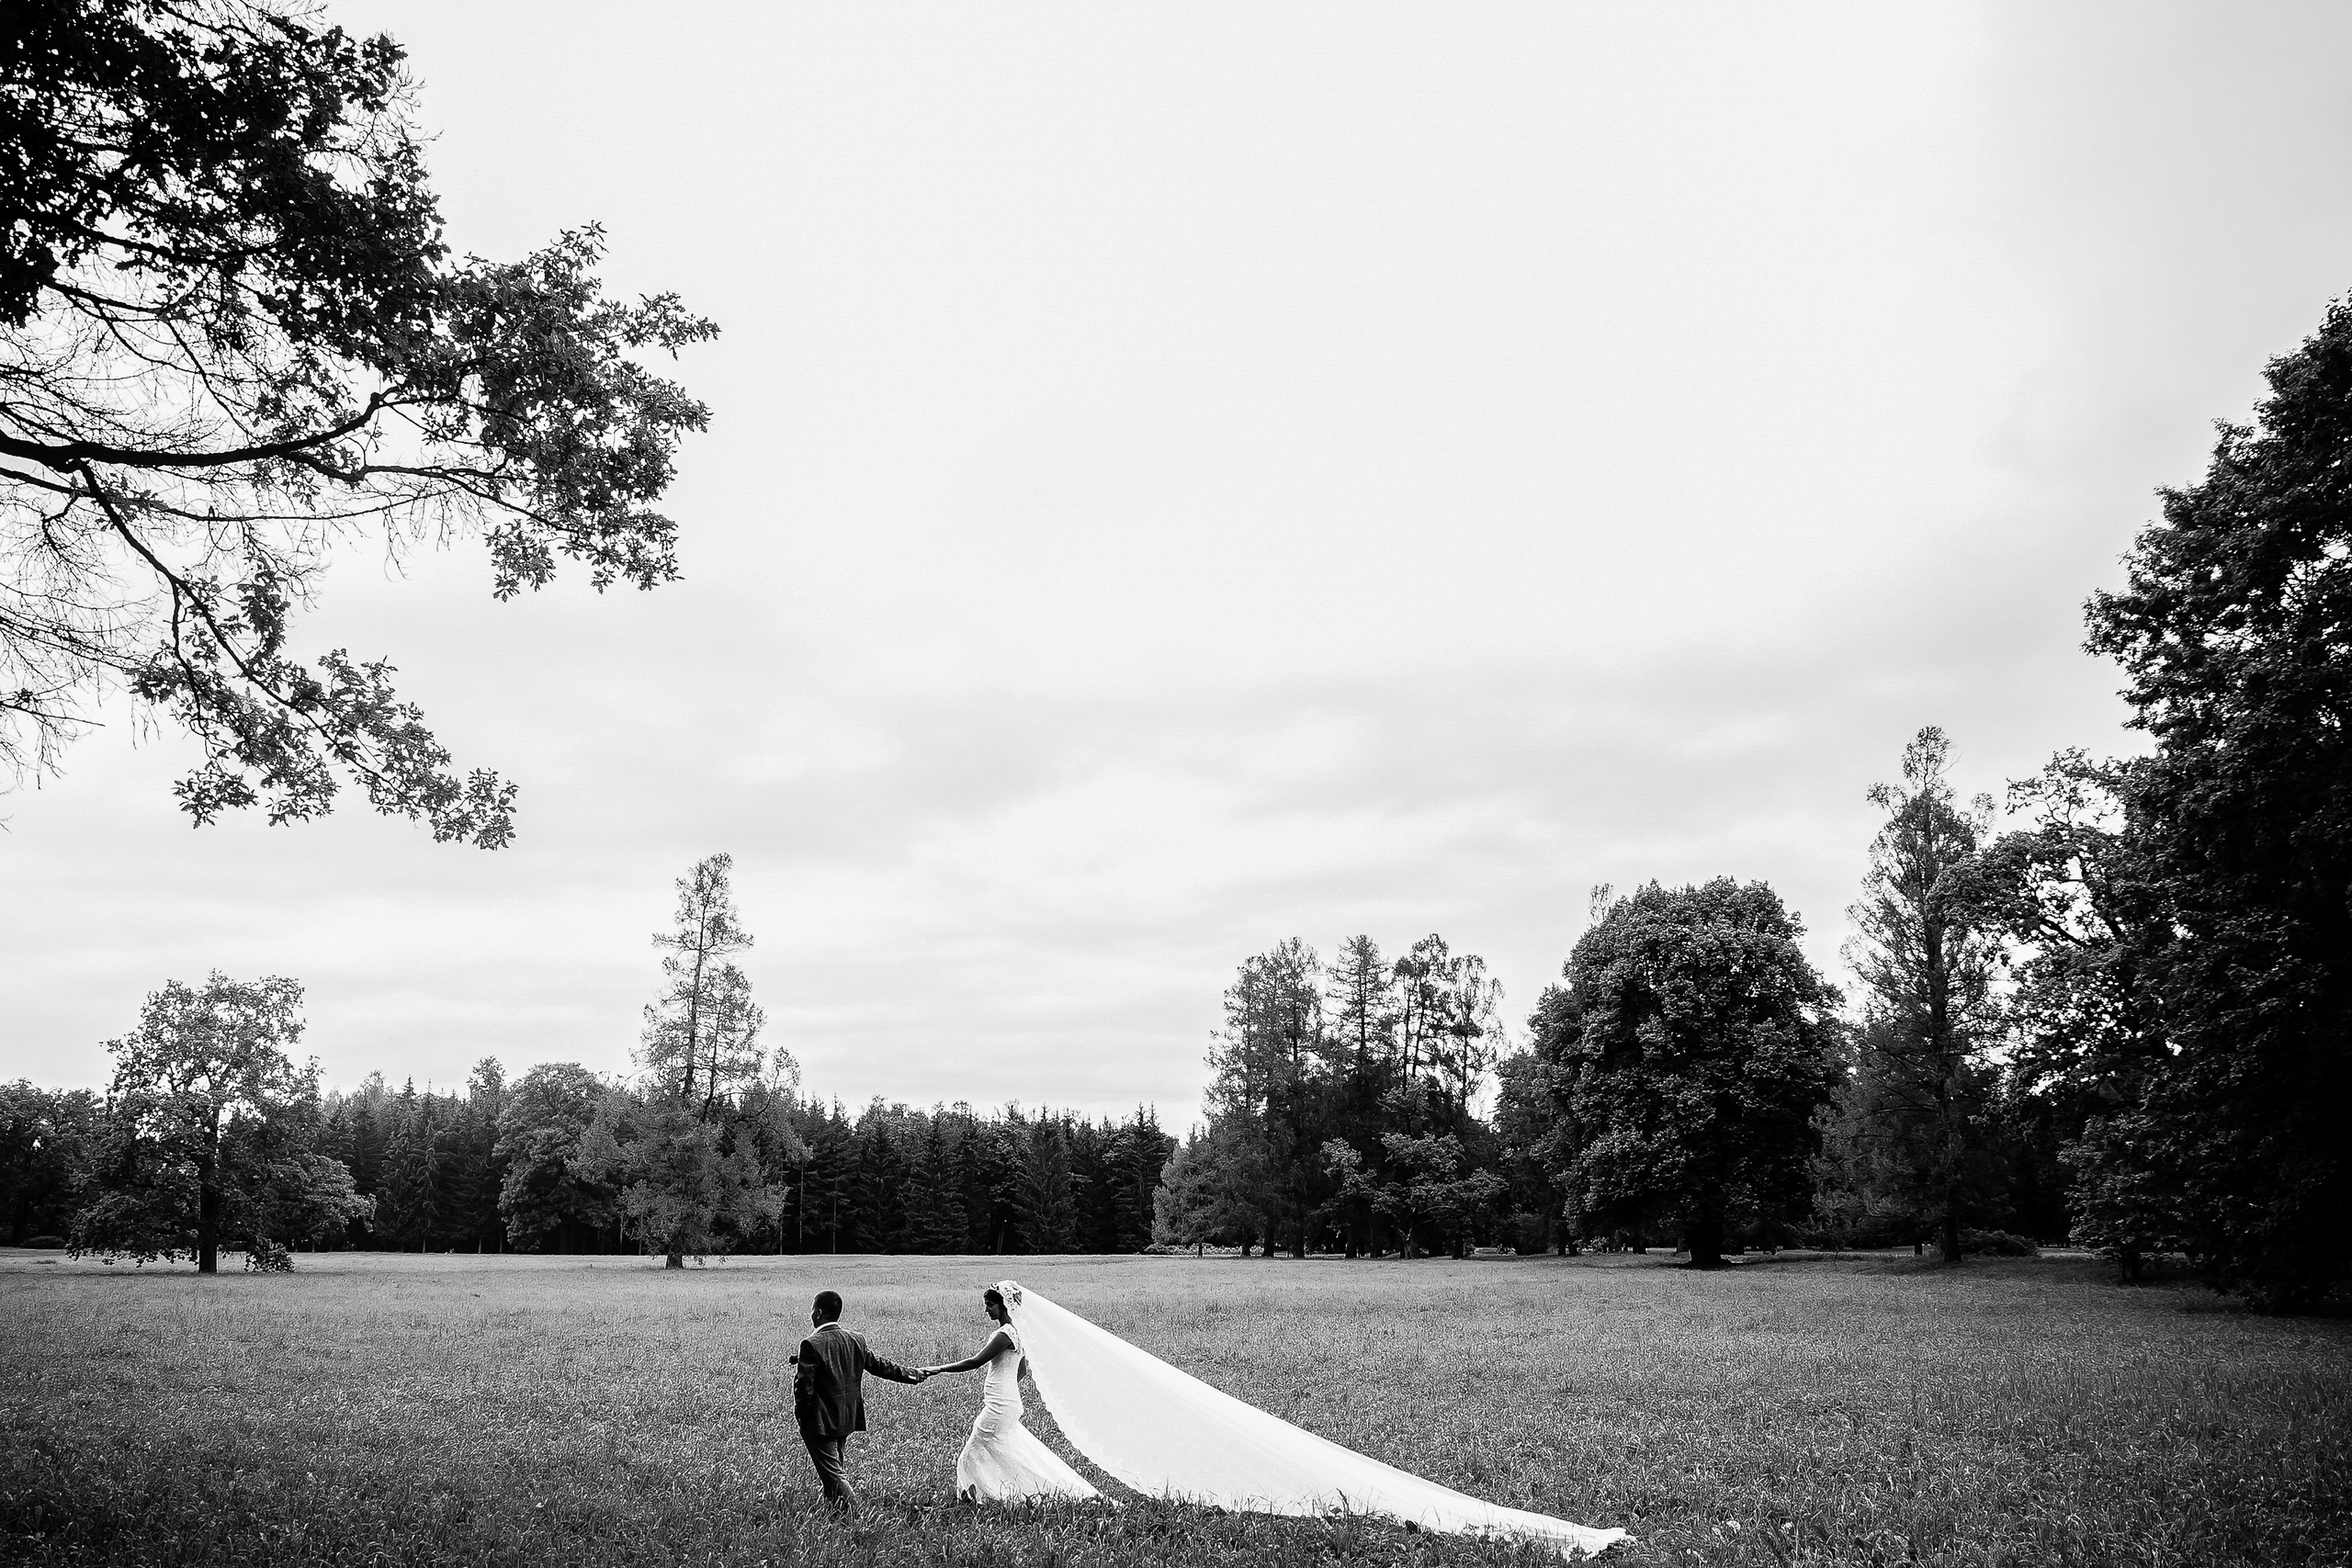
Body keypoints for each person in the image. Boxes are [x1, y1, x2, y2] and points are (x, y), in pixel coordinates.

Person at [920, 1284, 1100, 1504]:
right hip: (1006, 1402)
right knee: (1007, 1453)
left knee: (970, 1455)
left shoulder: (1005, 1334)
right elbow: (1021, 1369)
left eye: (990, 1305)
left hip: (1000, 1406)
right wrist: (1005, 1388)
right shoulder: (1018, 1332)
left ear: (1003, 1305)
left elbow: (976, 1362)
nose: (987, 1310)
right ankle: (1001, 1492)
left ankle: (986, 1496)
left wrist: (937, 1369)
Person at [791, 1289, 927, 1509]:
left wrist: (803, 1418)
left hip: (820, 1421)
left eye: (811, 1310)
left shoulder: (810, 1344)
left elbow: (803, 1389)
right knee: (835, 1467)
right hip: (846, 1417)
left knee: (834, 1473)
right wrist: (913, 1374)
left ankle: (857, 1515)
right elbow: (881, 1366)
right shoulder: (856, 1340)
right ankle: (835, 1511)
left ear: (818, 1313)